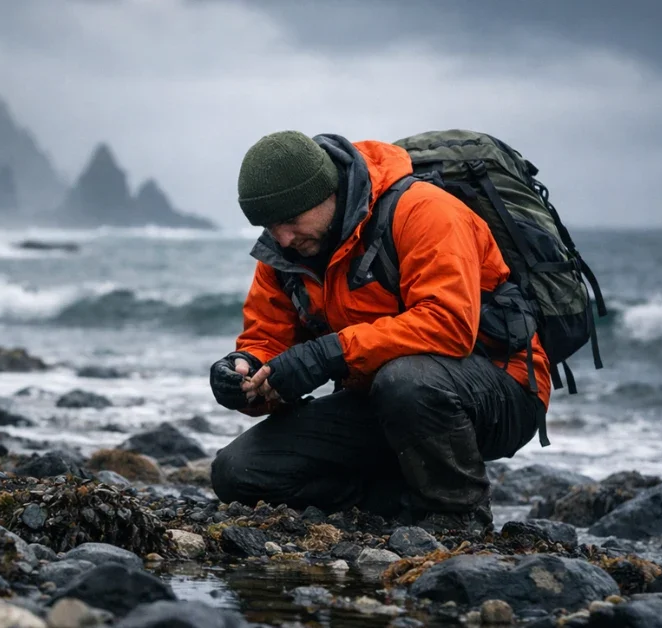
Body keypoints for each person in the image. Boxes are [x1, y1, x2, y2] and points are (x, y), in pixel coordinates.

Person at [208, 131, 550, 534]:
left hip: (498, 390)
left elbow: (450, 324)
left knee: (405, 381)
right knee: (237, 472)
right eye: (269, 225)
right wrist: (244, 370)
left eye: (290, 221)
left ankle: (458, 518)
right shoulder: (287, 251)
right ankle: (394, 504)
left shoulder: (424, 211)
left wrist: (329, 354)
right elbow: (268, 337)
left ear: (327, 193)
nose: (282, 238)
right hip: (380, 401)